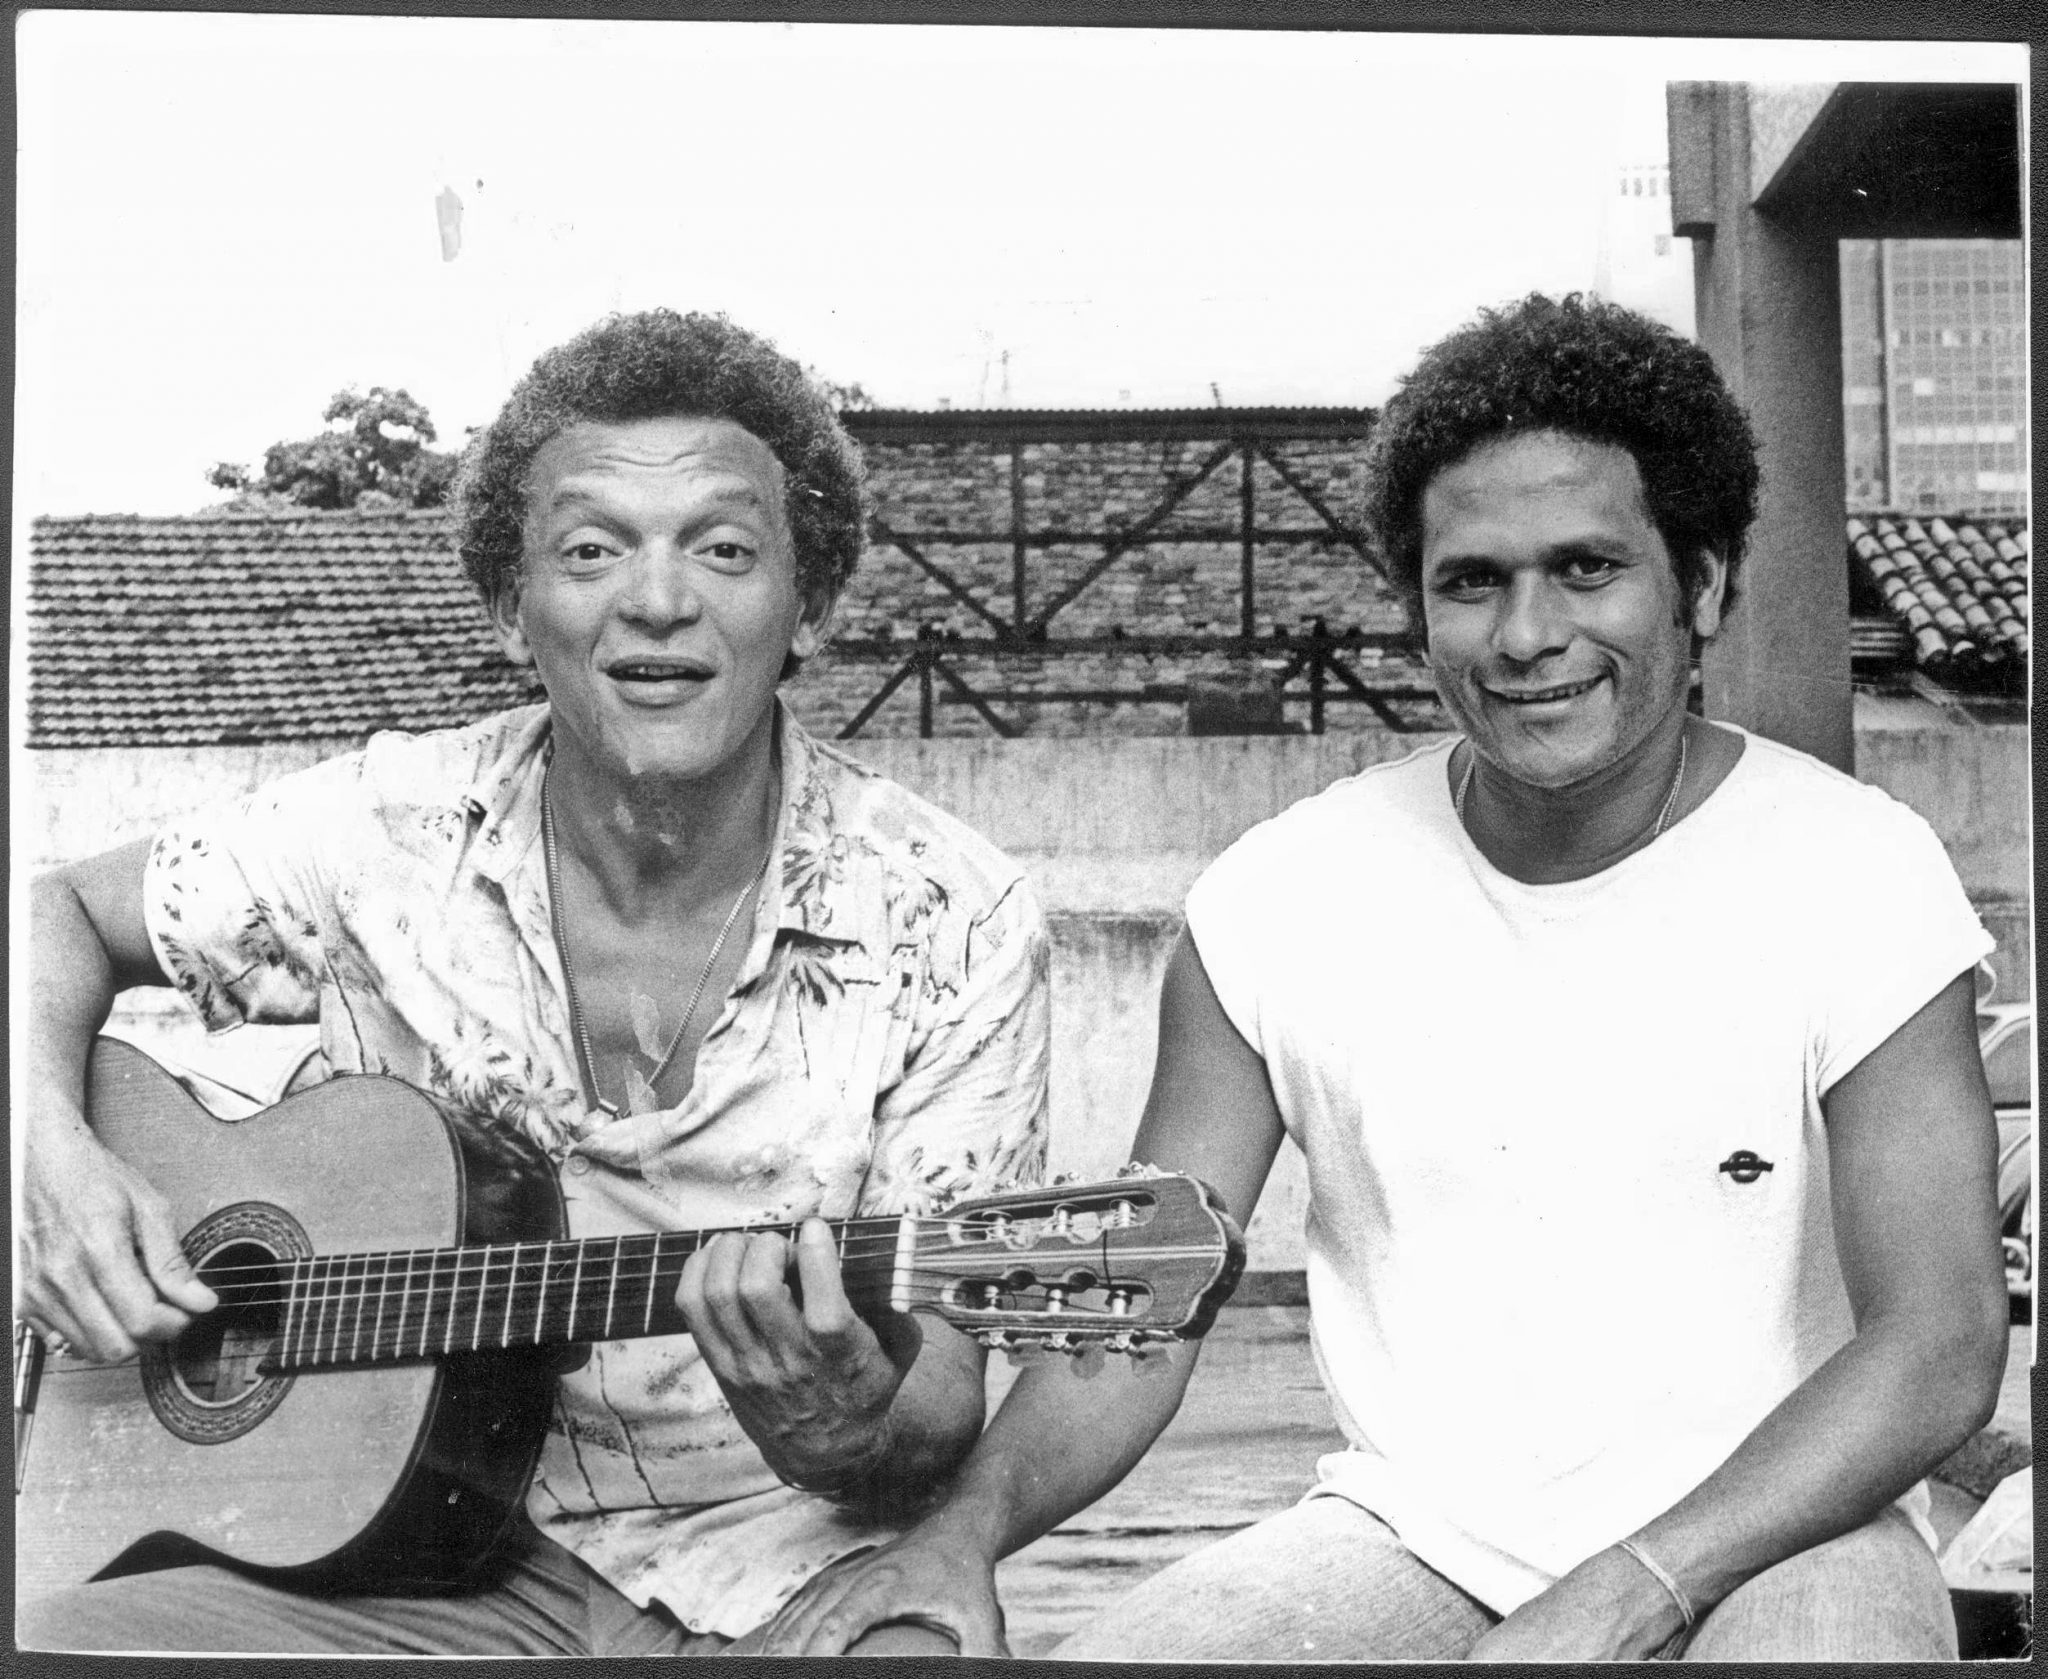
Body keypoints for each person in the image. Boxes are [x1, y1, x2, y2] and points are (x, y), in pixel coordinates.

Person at [754, 293, 2009, 1662]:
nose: (1528, 634)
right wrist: (960, 1532)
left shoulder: (1854, 870)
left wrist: (1635, 1585)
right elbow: (1136, 1307)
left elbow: (1937, 1345)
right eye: (1472, 582)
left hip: (1785, 1533)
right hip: (1412, 1542)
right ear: (1419, 608)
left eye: (1588, 569)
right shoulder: (1281, 899)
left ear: (1701, 585)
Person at [18, 309, 1050, 1655]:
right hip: (383, 1570)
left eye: (725, 550)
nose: (660, 599)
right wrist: (45, 1156)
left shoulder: (954, 920)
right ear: (514, 608)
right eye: (591, 550)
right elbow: (51, 917)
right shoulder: (385, 830)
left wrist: (849, 1422)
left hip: (779, 1570)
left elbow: (932, 1419)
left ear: (814, 603)